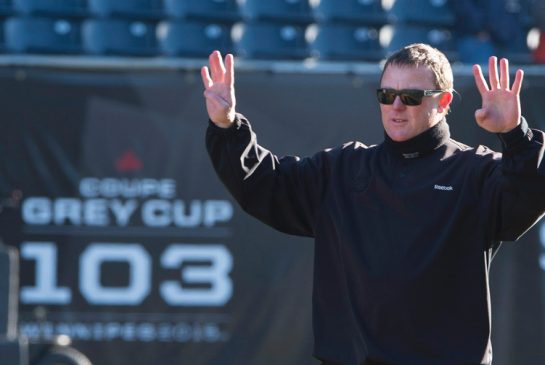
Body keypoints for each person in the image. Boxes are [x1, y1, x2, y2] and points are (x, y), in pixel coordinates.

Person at [201, 43, 545, 365]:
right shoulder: (343, 168)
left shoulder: (476, 171)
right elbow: (265, 186)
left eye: (410, 97)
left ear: (442, 103)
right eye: (387, 95)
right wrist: (227, 126)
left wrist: (515, 134)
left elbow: (527, 197)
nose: (396, 106)